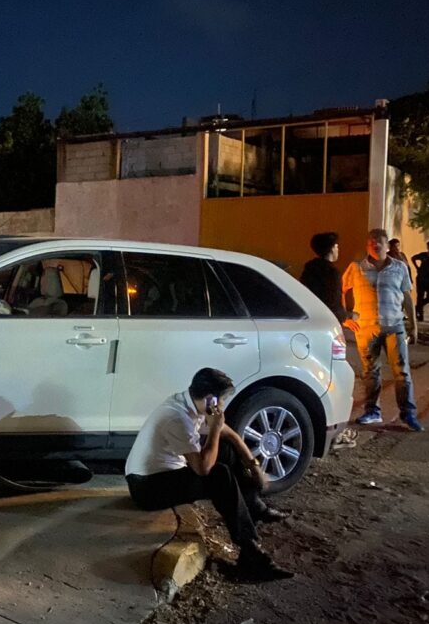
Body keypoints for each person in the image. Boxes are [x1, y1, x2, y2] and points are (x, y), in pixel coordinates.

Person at [125, 368, 294, 582]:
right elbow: (202, 469)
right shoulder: (177, 417)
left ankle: (255, 507)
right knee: (219, 475)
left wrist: (254, 466)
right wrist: (214, 429)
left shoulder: (189, 403)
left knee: (224, 450)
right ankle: (251, 553)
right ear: (210, 400)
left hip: (160, 476)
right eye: (222, 401)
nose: (222, 406)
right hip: (147, 488)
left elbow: (229, 434)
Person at [343, 228, 423, 432]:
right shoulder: (356, 268)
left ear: (387, 246)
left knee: (402, 372)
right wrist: (345, 316)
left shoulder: (399, 268)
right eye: (371, 241)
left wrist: (413, 324)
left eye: (379, 241)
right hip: (366, 328)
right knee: (370, 372)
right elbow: (343, 291)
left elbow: (407, 297)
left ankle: (408, 415)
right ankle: (372, 412)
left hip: (394, 325)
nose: (375, 244)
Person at [300, 232, 346, 323]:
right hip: (327, 321)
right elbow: (333, 302)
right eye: (336, 246)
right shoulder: (331, 273)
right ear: (332, 249)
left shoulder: (309, 269)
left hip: (310, 318)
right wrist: (347, 316)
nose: (338, 250)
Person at [411, 240, 429, 322]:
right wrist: (417, 267)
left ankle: (417, 307)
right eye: (428, 247)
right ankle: (420, 315)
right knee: (420, 296)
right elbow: (413, 258)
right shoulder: (423, 255)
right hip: (421, 278)